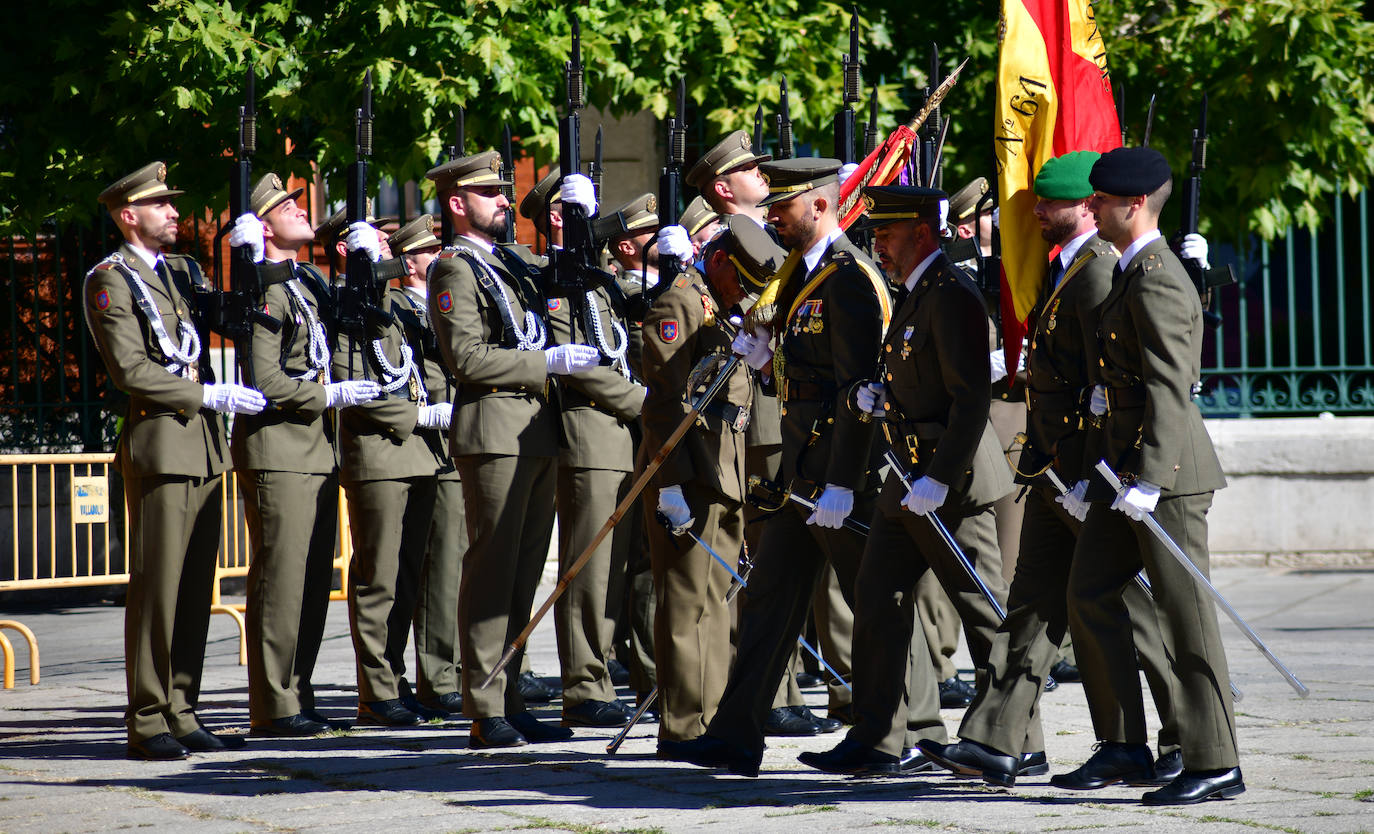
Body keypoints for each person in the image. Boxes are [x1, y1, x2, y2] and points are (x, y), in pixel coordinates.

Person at [918, 151, 1182, 787]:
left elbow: (1110, 384)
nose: (1036, 211)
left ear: (1086, 207)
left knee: (1132, 611)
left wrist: (1095, 472)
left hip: (1086, 475)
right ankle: (995, 740)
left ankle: (1179, 737)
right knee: (1032, 608)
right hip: (1054, 471)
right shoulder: (1069, 269)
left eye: (1050, 203)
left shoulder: (1095, 274)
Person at [662, 157, 889, 776]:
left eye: (783, 207)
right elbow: (803, 373)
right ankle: (737, 736)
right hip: (800, 474)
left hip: (838, 477)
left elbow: (856, 388)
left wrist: (843, 481)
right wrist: (765, 358)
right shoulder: (798, 276)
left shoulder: (847, 277)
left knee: (876, 601)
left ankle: (892, 734)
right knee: (767, 598)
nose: (773, 218)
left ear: (819, 206)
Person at [803, 185, 1015, 777]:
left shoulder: (950, 294)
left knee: (982, 607)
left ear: (922, 231)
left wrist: (943, 478)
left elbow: (971, 400)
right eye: (874, 235)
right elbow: (920, 377)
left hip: (953, 478)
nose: (879, 246)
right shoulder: (916, 292)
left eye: (887, 235)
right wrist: (882, 397)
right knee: (877, 596)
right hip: (907, 476)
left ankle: (1015, 736)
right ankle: (879, 737)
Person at [1058, 146, 1241, 805]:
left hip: (1166, 471)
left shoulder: (1158, 275)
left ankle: (1214, 760)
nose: (1093, 210)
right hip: (1124, 466)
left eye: (1102, 201)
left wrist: (1151, 477)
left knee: (1187, 619)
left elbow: (1170, 386)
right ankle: (1127, 743)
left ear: (1133, 205)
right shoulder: (1133, 270)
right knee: (1088, 593)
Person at [84, 161, 264, 759]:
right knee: (158, 588)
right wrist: (205, 394)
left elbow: (235, 320)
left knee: (193, 589)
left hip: (205, 447)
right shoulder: (110, 281)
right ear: (128, 214)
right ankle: (148, 717)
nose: (175, 214)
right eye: (162, 205)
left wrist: (250, 260)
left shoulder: (180, 276)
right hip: (162, 445)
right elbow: (131, 369)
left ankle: (182, 708)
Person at [426, 150, 599, 748]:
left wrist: (581, 219)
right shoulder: (453, 269)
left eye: (505, 191)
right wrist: (543, 361)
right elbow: (467, 358)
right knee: (493, 570)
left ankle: (511, 693)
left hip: (535, 431)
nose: (505, 200)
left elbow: (568, 273)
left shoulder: (511, 263)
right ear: (457, 204)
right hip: (495, 431)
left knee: (524, 575)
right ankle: (484, 705)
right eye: (491, 193)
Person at [230, 174, 379, 737]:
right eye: (286, 206)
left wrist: (369, 268)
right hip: (278, 447)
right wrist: (327, 394)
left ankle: (300, 688)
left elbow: (356, 323)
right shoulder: (262, 288)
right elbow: (264, 376)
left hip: (315, 449)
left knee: (315, 581)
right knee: (283, 581)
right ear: (264, 227)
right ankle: (273, 703)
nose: (300, 210)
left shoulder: (309, 282)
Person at [523, 169, 647, 728]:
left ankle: (601, 671)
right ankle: (583, 684)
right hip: (589, 427)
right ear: (557, 215)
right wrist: (645, 402)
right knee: (589, 566)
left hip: (620, 433)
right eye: (582, 205)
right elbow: (577, 360)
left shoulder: (600, 281)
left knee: (615, 568)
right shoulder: (548, 276)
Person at [321, 208, 447, 728]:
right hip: (377, 451)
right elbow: (355, 382)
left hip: (417, 452)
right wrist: (420, 413)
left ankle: (394, 681)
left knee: (408, 579)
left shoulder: (396, 307)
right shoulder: (356, 303)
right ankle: (374, 691)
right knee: (379, 580)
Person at [639, 215, 758, 747]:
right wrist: (669, 484)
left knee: (718, 603)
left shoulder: (719, 301)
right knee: (688, 604)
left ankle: (711, 718)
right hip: (688, 472)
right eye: (742, 280)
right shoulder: (680, 303)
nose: (746, 293)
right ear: (720, 261)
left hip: (725, 468)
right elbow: (663, 403)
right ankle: (685, 726)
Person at [387, 214, 467, 717]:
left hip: (458, 436)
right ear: (410, 261)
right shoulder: (397, 306)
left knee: (455, 563)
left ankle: (449, 669)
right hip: (426, 437)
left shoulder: (450, 296)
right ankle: (434, 676)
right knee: (425, 568)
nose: (439, 255)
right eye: (429, 249)